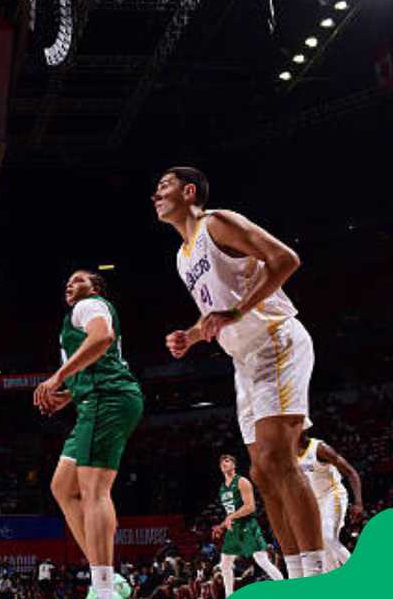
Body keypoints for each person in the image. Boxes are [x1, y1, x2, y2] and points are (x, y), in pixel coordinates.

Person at [155, 166, 325, 576]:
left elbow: (286, 259)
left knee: (277, 458)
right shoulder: (182, 257)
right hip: (243, 361)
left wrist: (236, 311)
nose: (155, 194)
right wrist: (192, 336)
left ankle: (321, 576)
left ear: (189, 190)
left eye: (163, 186)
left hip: (275, 340)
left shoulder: (218, 222)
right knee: (263, 473)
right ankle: (298, 574)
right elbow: (214, 313)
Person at [33, 270, 144, 599]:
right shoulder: (77, 316)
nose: (70, 283)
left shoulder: (89, 306)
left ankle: (105, 588)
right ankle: (108, 579)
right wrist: (69, 394)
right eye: (67, 280)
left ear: (95, 288)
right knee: (63, 487)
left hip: (106, 399)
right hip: (93, 402)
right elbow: (99, 359)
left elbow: (102, 339)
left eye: (78, 279)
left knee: (94, 491)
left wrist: (57, 378)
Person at [211, 454, 283, 595]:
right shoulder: (222, 488)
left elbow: (250, 507)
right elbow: (230, 513)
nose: (224, 464)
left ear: (234, 465)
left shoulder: (242, 482)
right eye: (221, 463)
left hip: (247, 526)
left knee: (261, 560)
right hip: (234, 529)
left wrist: (231, 517)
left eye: (227, 461)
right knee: (225, 563)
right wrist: (221, 526)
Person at [296, 434, 364, 571]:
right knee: (323, 548)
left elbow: (350, 472)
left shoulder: (320, 449)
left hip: (333, 495)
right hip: (315, 502)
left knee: (327, 535)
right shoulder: (289, 453)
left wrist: (358, 503)